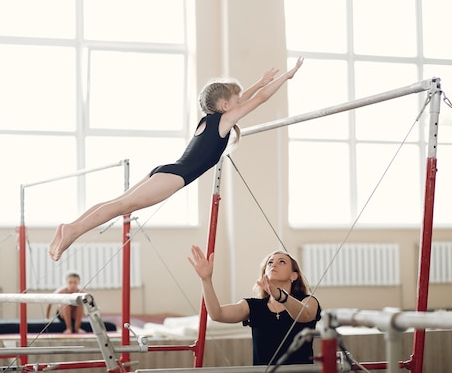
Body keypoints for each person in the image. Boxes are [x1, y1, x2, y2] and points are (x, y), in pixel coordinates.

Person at [48, 58, 305, 261]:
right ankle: (72, 231)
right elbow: (258, 100)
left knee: (119, 202)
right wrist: (287, 76)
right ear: (226, 106)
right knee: (121, 206)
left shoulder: (210, 119)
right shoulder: (225, 120)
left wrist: (260, 81)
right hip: (174, 176)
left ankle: (70, 226)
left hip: (166, 170)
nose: (240, 103)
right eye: (235, 101)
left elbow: (243, 98)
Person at [188, 245, 321, 366]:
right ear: (264, 274)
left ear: (294, 275)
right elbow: (217, 314)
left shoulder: (308, 300)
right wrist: (206, 280)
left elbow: (305, 315)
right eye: (270, 262)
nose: (274, 264)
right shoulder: (253, 306)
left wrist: (280, 296)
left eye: (281, 262)